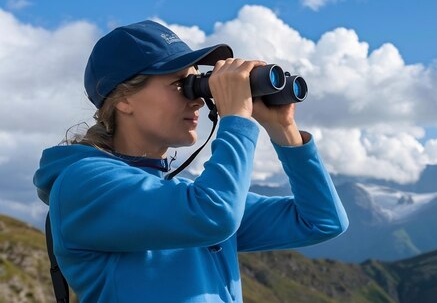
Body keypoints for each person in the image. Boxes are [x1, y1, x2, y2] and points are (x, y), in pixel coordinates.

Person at [33, 20, 348, 302]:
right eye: (180, 85)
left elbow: (322, 221)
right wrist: (236, 118)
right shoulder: (84, 186)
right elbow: (215, 215)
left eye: (199, 83)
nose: (198, 98)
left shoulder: (186, 197)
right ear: (124, 99)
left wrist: (283, 129)